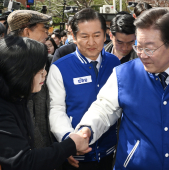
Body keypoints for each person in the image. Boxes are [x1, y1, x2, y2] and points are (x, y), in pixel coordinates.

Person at [74, 8, 169, 170]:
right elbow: (103, 109)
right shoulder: (123, 74)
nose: (142, 55)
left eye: (150, 48)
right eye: (138, 46)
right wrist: (87, 128)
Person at [0, 35, 91, 170]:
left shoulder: (18, 97)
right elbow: (22, 161)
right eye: (40, 70)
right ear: (21, 72)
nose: (45, 74)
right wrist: (70, 145)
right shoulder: (3, 109)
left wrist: (61, 152)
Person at [47, 8, 120, 170]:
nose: (92, 42)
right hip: (74, 158)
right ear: (73, 37)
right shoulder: (60, 68)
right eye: (84, 36)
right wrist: (69, 140)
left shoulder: (115, 64)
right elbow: (56, 109)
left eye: (96, 35)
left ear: (106, 34)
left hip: (109, 154)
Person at [7, 10, 54, 149]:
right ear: (27, 32)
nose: (48, 34)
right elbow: (28, 120)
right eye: (44, 29)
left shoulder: (41, 58)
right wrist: (46, 156)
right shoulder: (12, 66)